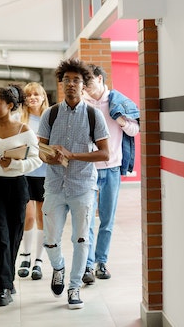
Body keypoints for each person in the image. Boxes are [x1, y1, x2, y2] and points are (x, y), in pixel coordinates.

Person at [38, 58, 110, 310]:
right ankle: (58, 267)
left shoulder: (94, 115)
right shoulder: (51, 113)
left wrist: (72, 155)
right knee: (49, 239)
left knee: (81, 239)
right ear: (61, 83)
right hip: (54, 186)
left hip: (82, 187)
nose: (70, 84)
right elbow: (40, 151)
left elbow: (105, 154)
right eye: (66, 80)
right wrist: (52, 156)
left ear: (84, 85)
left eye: (76, 80)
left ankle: (74, 286)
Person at [0, 85, 42, 306]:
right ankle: (2, 288)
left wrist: (14, 163)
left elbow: (37, 160)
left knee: (13, 236)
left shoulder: (24, 130)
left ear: (9, 105)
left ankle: (8, 278)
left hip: (17, 186)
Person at [81, 64, 140, 284]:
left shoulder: (117, 102)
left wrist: (120, 119)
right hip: (87, 170)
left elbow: (135, 130)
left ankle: (101, 262)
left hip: (112, 168)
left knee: (107, 220)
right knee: (86, 220)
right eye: (82, 84)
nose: (85, 87)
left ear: (99, 78)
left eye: (88, 82)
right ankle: (86, 265)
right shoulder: (82, 105)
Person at [16, 82, 50, 281]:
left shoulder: (50, 118)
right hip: (25, 174)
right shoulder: (19, 119)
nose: (32, 98)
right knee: (27, 217)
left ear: (43, 96)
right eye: (28, 95)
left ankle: (39, 260)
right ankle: (26, 256)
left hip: (46, 175)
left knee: (42, 218)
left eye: (36, 94)